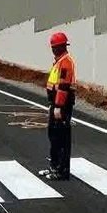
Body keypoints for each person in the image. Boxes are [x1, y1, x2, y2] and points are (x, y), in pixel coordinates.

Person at [39, 31, 75, 181]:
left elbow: (63, 86)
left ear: (60, 47)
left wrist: (59, 106)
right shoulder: (58, 62)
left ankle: (62, 170)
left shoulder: (66, 62)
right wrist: (53, 105)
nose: (53, 50)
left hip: (63, 104)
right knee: (53, 135)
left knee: (61, 137)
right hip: (55, 103)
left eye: (55, 47)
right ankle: (54, 166)